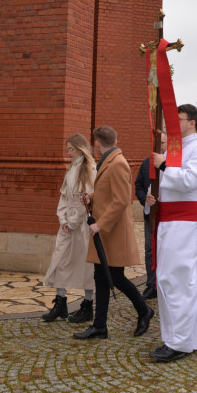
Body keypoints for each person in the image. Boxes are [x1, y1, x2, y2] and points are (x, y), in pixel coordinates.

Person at [146, 104, 197, 362]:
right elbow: (166, 183)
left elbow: (191, 181)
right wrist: (153, 194)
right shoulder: (174, 150)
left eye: (176, 120)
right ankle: (176, 336)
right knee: (167, 280)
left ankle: (180, 342)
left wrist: (164, 166)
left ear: (191, 122)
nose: (169, 125)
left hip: (185, 224)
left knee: (180, 280)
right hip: (168, 223)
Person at [74, 126, 155, 341]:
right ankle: (100, 326)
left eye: (94, 144)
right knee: (101, 278)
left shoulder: (118, 163)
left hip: (113, 232)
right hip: (106, 232)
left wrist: (99, 224)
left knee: (115, 277)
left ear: (97, 144)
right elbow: (107, 193)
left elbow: (121, 200)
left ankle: (144, 311)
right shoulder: (110, 160)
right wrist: (91, 197)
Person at [42, 134, 98, 323]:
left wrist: (74, 221)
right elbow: (64, 197)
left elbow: (87, 200)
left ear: (80, 149)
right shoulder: (71, 169)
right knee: (60, 261)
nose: (68, 153)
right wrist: (63, 218)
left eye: (71, 150)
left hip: (82, 225)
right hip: (67, 223)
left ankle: (88, 304)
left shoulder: (89, 169)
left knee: (86, 265)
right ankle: (60, 302)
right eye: (67, 150)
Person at [134, 132, 167, 300]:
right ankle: (151, 284)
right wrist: (144, 197)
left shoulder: (173, 164)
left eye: (162, 143)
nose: (158, 147)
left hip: (168, 215)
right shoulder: (147, 163)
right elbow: (138, 185)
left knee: (166, 250)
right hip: (150, 214)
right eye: (156, 144)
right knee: (150, 250)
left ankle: (165, 284)